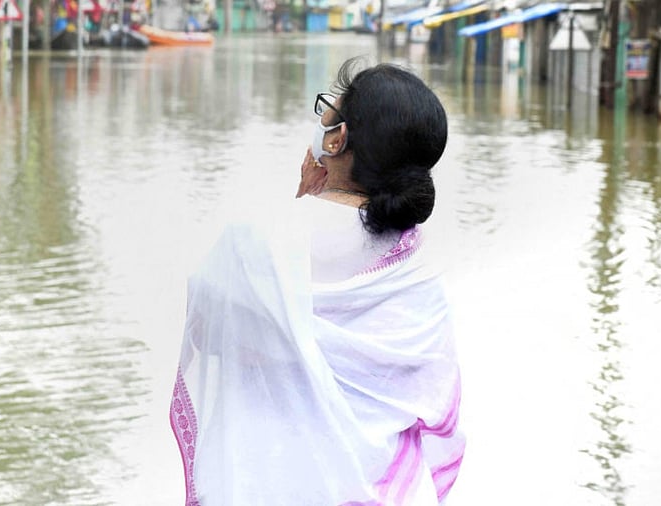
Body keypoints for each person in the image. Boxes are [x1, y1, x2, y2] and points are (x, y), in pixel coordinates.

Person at [169, 57, 464, 505]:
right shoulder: (420, 279)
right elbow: (430, 402)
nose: (321, 117)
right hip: (383, 490)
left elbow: (210, 331)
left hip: (265, 482)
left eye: (327, 109)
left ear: (337, 137)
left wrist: (299, 203)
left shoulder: (258, 241)